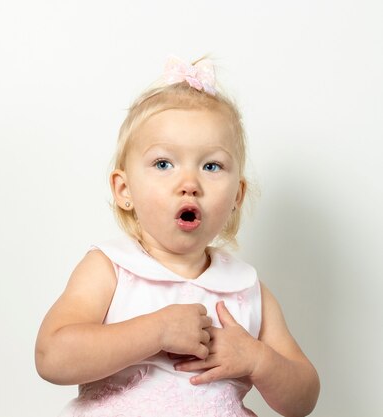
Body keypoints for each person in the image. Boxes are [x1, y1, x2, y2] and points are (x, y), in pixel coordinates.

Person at [35, 57, 320, 417]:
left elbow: (303, 399)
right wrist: (155, 331)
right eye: (164, 164)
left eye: (211, 166)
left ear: (237, 197)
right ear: (124, 189)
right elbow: (51, 357)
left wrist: (257, 359)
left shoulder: (246, 289)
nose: (189, 184)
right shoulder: (111, 269)